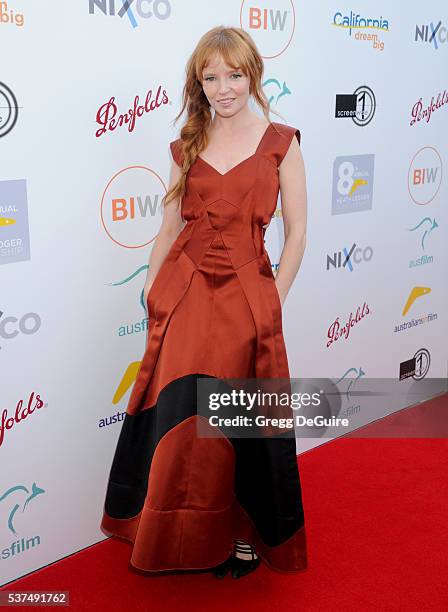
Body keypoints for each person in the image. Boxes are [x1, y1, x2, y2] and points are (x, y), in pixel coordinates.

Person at [100, 25, 308, 580]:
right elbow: (169, 224)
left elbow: (300, 233)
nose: (223, 88)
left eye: (234, 75)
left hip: (246, 294)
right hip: (186, 290)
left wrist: (273, 299)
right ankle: (170, 530)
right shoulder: (187, 142)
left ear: (252, 76)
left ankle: (241, 534)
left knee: (235, 422)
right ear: (199, 83)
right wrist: (152, 286)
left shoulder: (281, 142)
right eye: (211, 77)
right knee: (181, 418)